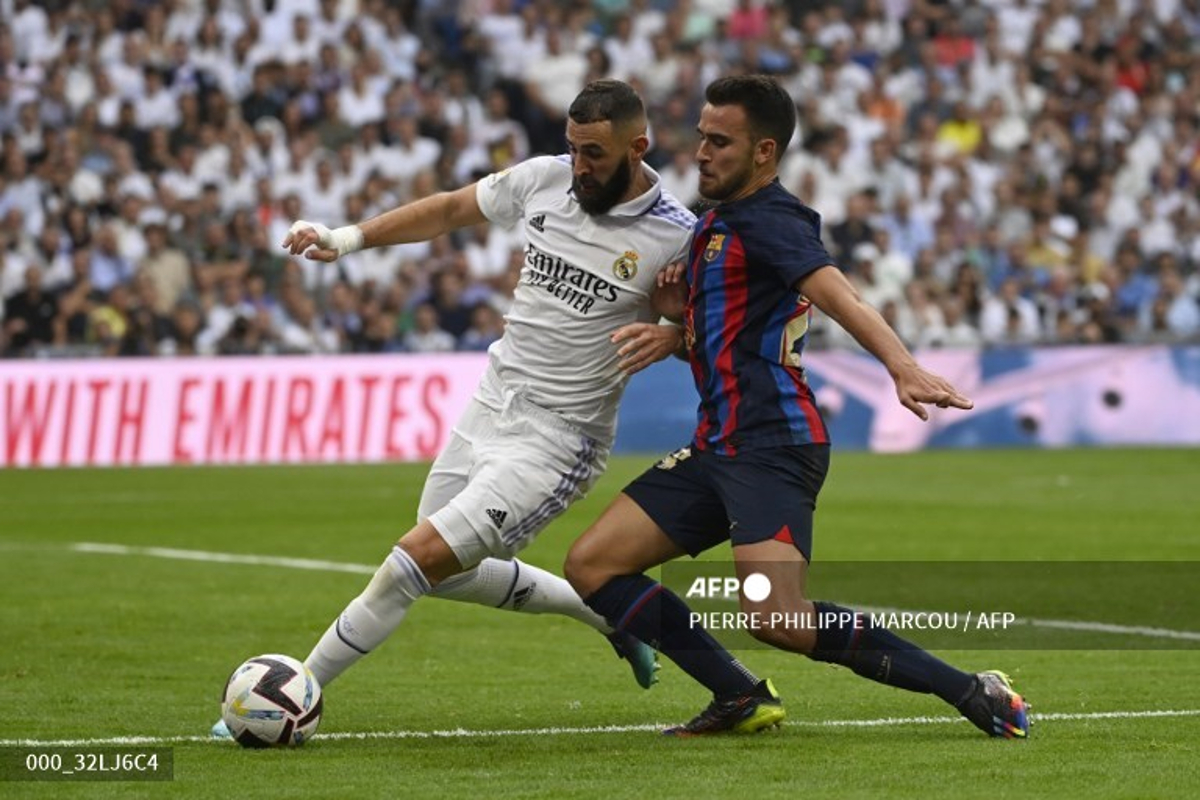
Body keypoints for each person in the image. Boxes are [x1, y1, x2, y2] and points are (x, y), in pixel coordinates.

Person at [214, 80, 696, 737]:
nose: (579, 166)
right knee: (440, 574)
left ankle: (292, 695)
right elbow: (448, 210)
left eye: (595, 154)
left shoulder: (677, 236)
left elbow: (724, 329)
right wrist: (347, 237)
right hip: (490, 404)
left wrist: (675, 335)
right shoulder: (543, 180)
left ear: (637, 147)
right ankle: (607, 618)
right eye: (573, 149)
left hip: (557, 442)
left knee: (409, 564)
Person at [563, 75, 1031, 739]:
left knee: (776, 617)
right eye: (701, 136)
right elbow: (730, 340)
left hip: (772, 446)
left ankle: (972, 690)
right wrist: (677, 328)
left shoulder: (772, 221)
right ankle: (739, 696)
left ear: (764, 152)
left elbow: (841, 297)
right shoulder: (716, 225)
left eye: (720, 141)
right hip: (718, 443)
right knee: (593, 565)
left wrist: (901, 365)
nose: (701, 152)